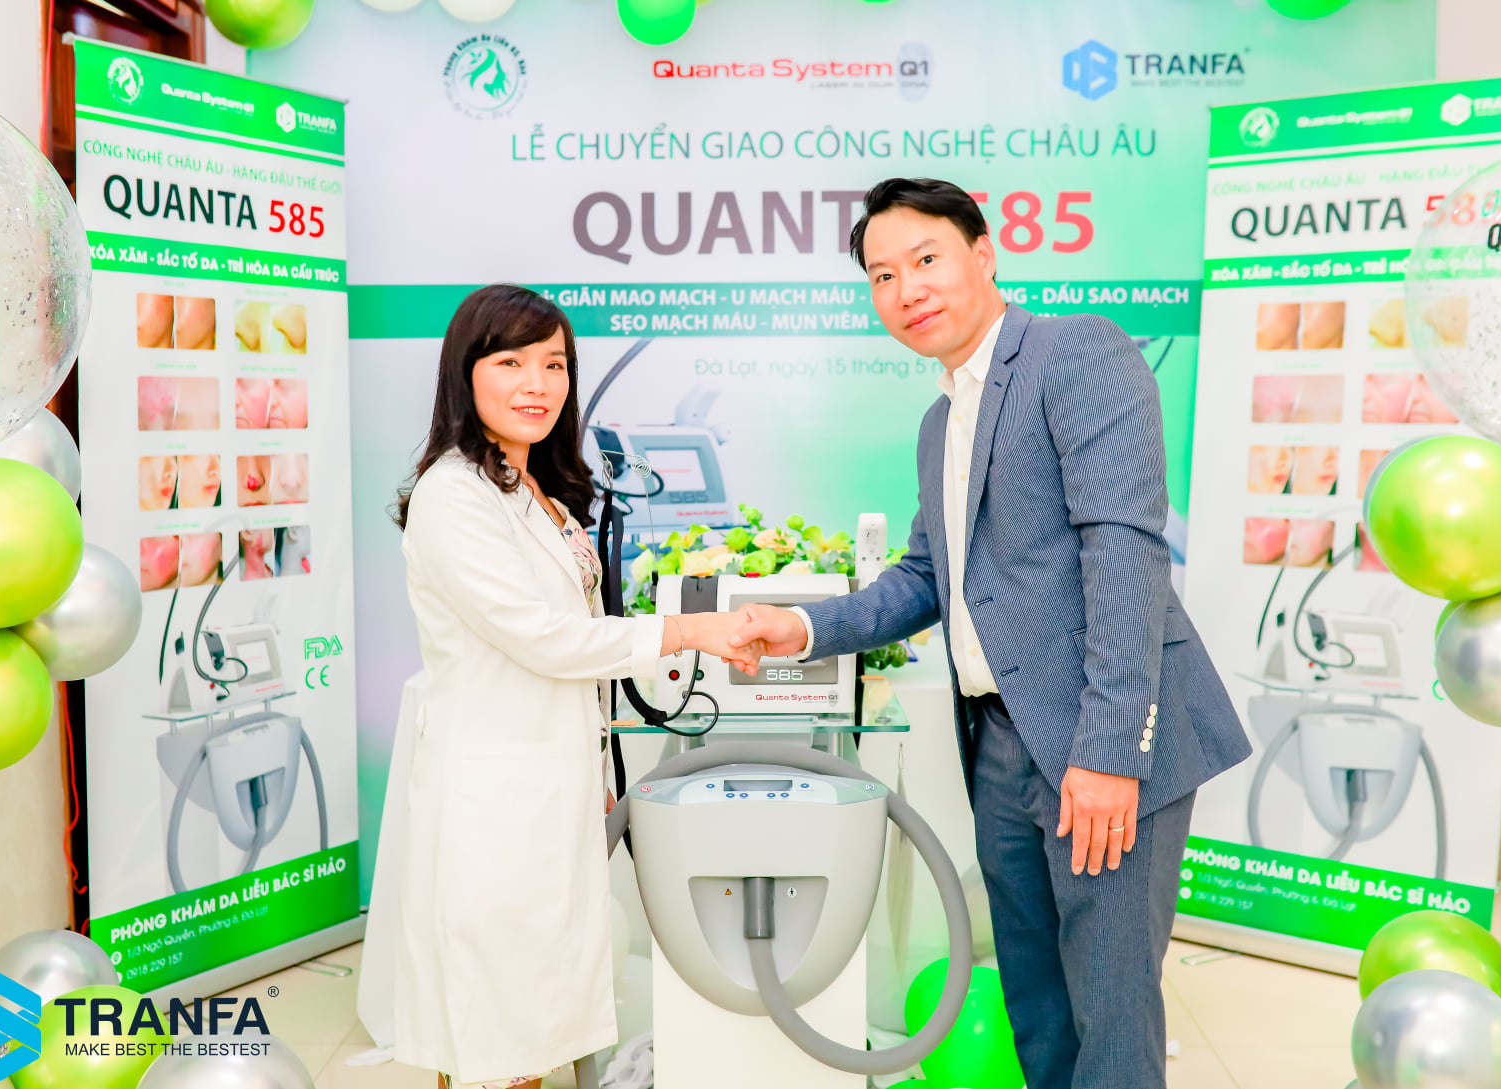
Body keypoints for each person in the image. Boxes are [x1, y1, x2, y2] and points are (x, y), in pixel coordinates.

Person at [729, 178, 1250, 1089]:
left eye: (925, 259)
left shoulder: (1073, 352)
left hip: (1097, 735)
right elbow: (926, 578)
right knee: (1036, 1005)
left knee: (1109, 1010)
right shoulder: (941, 421)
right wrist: (798, 624)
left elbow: (1124, 551)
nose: (906, 290)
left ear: (983, 253)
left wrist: (1108, 752)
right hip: (1001, 743)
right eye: (882, 276)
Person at [391, 284, 760, 1089]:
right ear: (465, 372)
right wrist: (687, 630)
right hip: (494, 795)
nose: (538, 383)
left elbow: (571, 637)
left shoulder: (533, 489)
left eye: (554, 364)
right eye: (511, 362)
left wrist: (593, 768)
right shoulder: (453, 495)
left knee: (533, 1013)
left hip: (549, 781)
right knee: (494, 1023)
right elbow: (544, 637)